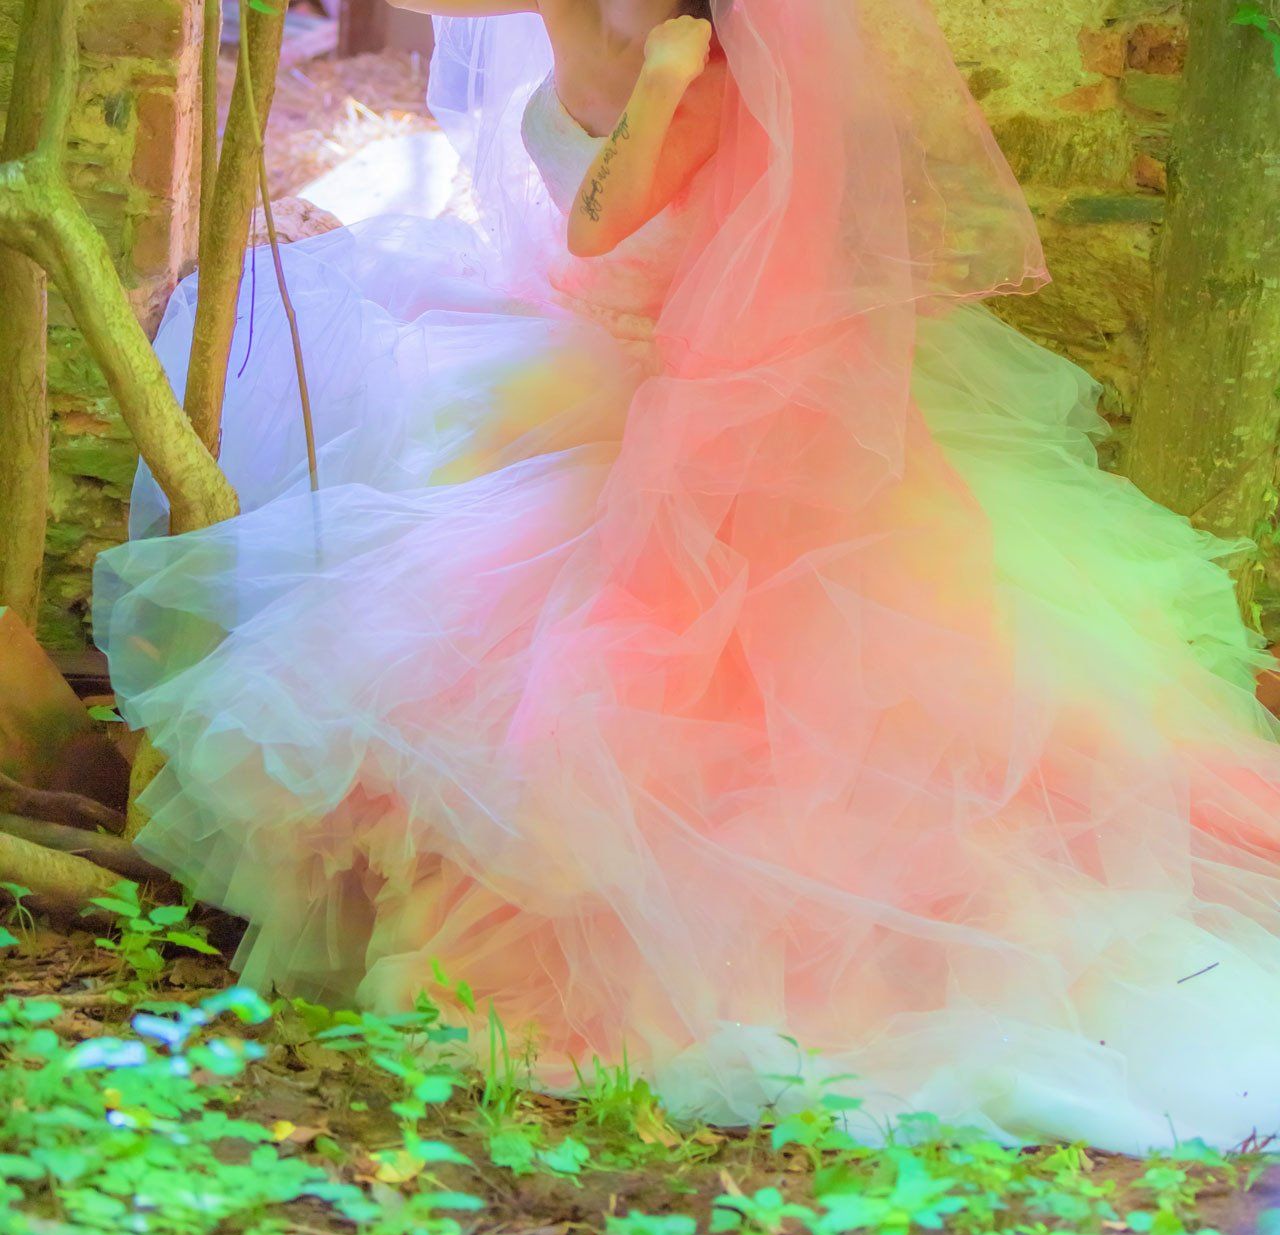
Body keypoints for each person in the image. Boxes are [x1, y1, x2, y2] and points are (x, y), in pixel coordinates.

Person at [95, 0, 1280, 1154]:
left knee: (612, 645)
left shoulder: (706, 67)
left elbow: (598, 229)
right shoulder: (571, 16)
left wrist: (660, 83)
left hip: (690, 382)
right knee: (373, 391)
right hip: (582, 336)